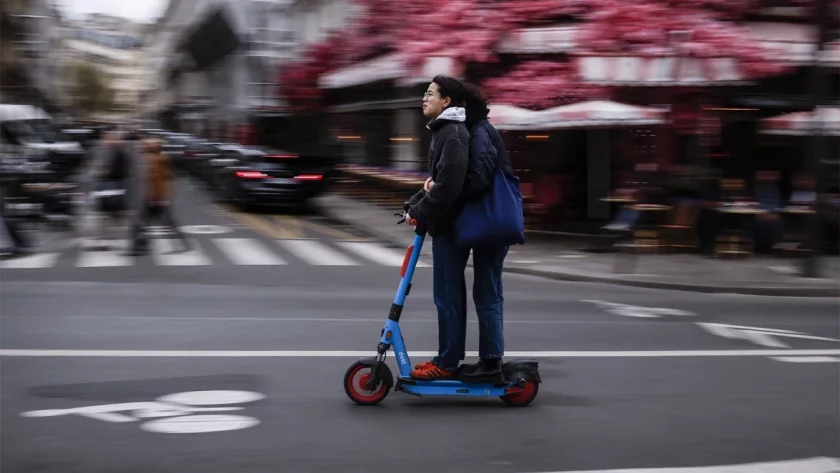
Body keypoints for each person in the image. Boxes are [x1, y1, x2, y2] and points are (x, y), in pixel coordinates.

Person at [404, 75, 471, 380]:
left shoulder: (453, 134)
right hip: (445, 227)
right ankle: (448, 357)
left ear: (447, 102)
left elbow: (447, 188)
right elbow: (435, 182)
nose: (424, 97)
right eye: (425, 93)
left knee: (447, 296)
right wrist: (413, 203)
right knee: (447, 295)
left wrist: (420, 209)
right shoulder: (443, 131)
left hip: (451, 228)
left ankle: (447, 364)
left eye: (430, 94)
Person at [455, 82, 515, 379]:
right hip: (493, 225)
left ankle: (492, 362)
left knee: (487, 292)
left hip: (493, 225)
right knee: (488, 291)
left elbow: (479, 178)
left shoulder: (481, 132)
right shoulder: (481, 129)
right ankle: (491, 358)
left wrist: (452, 193)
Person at [127, 138, 189, 255]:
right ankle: (140, 245)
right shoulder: (148, 159)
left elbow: (159, 181)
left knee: (158, 222)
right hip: (152, 196)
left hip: (155, 197)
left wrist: (158, 198)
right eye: (144, 144)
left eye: (147, 145)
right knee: (146, 222)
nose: (143, 146)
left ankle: (139, 246)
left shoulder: (157, 160)